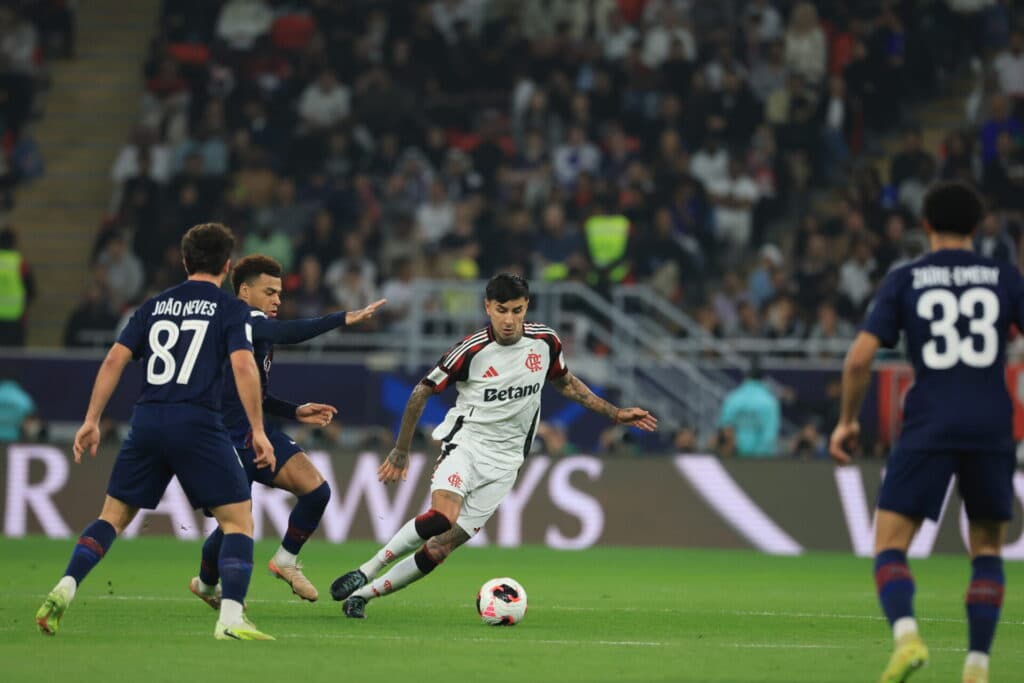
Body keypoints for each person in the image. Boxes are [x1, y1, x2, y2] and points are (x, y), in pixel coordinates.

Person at [328, 273, 657, 618]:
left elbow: (568, 384)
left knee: (440, 549)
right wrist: (401, 449)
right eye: (502, 310)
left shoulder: (545, 342)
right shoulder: (471, 350)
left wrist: (615, 413)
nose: (510, 320)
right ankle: (366, 568)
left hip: (506, 463)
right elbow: (421, 391)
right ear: (488, 307)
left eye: (517, 310)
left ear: (526, 306)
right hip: (466, 446)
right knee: (442, 517)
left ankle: (362, 596)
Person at [35, 223, 277, 641]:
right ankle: (231, 618)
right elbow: (242, 366)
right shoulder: (230, 309)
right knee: (238, 522)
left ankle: (65, 586)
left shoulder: (154, 305)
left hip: (146, 420)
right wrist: (257, 429)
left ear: (185, 262)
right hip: (197, 421)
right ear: (227, 265)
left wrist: (91, 419)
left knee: (110, 518)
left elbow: (114, 360)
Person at [829, 182, 1017, 683]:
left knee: (889, 544)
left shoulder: (907, 278)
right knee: (986, 550)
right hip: (991, 422)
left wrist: (848, 420)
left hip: (929, 420)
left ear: (926, 225)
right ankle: (976, 668)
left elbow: (860, 358)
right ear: (977, 228)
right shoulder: (1004, 276)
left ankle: (908, 637)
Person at [189, 254, 385, 605]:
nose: (278, 299)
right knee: (237, 520)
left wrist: (295, 410)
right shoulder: (241, 317)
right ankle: (205, 584)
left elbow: (254, 395)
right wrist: (342, 318)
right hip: (220, 438)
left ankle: (285, 560)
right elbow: (288, 332)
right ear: (245, 291)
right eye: (269, 292)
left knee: (317, 491)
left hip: (253, 431)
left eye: (279, 293)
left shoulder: (255, 330)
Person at [717, 359, 780, 457]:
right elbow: (770, 434)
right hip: (762, 459)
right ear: (762, 380)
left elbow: (724, 427)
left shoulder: (732, 398)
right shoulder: (770, 401)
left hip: (734, 456)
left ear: (746, 378)